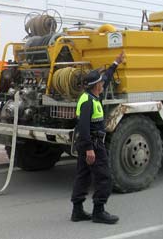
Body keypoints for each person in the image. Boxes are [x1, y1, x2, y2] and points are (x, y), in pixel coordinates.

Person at [71, 51, 125, 224]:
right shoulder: (88, 102)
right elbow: (84, 127)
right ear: (96, 86)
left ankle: (77, 211)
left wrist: (115, 64)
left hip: (88, 143)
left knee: (83, 176)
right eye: (101, 82)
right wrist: (89, 149)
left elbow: (108, 78)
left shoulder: (92, 96)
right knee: (104, 177)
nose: (103, 83)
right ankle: (99, 211)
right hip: (92, 144)